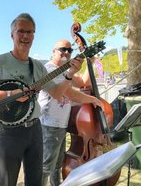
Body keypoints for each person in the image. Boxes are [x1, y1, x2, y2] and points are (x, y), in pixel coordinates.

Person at [0, 13, 102, 186]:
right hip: (9, 132)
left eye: (30, 32)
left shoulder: (37, 66)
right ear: (12, 34)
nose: (25, 36)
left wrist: (70, 74)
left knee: (36, 181)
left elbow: (58, 94)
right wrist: (10, 94)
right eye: (21, 31)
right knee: (8, 181)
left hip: (35, 130)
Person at [38, 39, 97, 186]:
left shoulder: (66, 70)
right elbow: (70, 94)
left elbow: (83, 82)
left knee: (57, 165)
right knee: (46, 166)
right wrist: (94, 100)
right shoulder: (50, 70)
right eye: (62, 49)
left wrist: (91, 62)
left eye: (69, 50)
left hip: (61, 124)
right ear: (53, 52)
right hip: (50, 124)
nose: (66, 53)